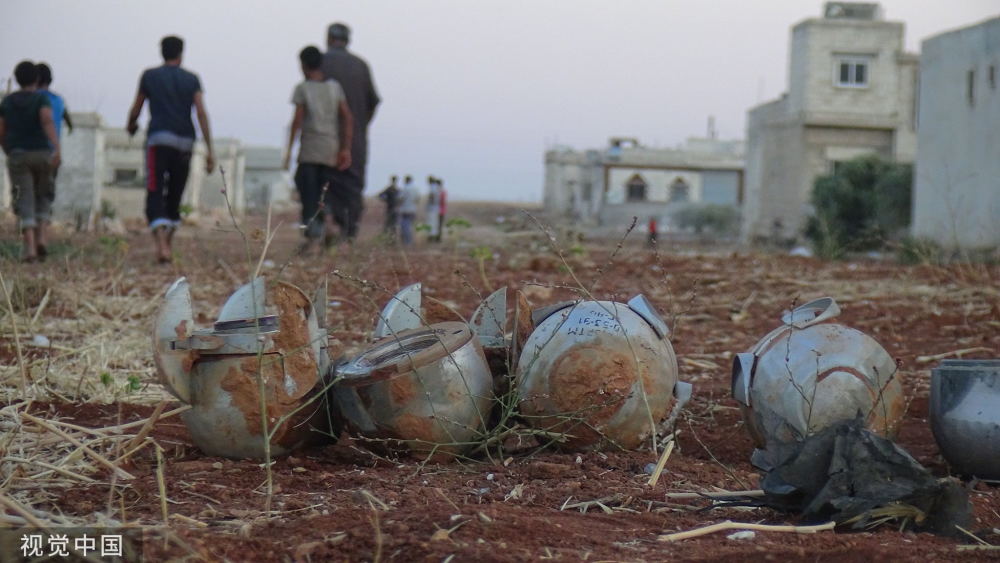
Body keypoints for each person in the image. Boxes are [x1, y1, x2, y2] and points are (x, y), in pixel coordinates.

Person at [126, 35, 215, 263]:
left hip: (158, 140)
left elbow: (136, 108)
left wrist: (131, 125)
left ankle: (161, 244)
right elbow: (201, 113)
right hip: (185, 141)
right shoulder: (192, 79)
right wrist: (210, 149)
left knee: (155, 189)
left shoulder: (150, 76)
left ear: (162, 52)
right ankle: (168, 242)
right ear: (181, 53)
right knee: (176, 191)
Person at [283, 45, 353, 254]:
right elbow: (347, 117)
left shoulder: (303, 88)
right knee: (326, 193)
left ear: (303, 65)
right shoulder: (334, 87)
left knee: (308, 193)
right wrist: (345, 148)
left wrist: (288, 151)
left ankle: (313, 237)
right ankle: (330, 226)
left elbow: (297, 120)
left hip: (310, 150)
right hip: (330, 149)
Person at [322, 22, 380, 241]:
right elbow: (374, 101)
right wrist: (361, 125)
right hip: (356, 139)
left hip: (324, 138)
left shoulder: (321, 62)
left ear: (328, 38)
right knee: (353, 184)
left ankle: (326, 227)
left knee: (325, 182)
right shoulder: (361, 65)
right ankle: (349, 232)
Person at [0, 61, 61, 262]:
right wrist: (56, 147)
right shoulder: (41, 99)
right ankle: (42, 236)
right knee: (43, 194)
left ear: (17, 79)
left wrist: (7, 148)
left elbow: (1, 129)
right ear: (36, 79)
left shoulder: (7, 102)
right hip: (42, 153)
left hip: (18, 154)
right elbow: (46, 120)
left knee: (24, 197)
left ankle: (30, 248)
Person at [398, 175, 419, 246]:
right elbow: (417, 199)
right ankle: (409, 241)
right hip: (413, 209)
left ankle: (407, 242)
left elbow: (400, 198)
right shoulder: (415, 189)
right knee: (410, 226)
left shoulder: (405, 188)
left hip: (405, 210)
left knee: (405, 226)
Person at [426, 175, 441, 242]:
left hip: (432, 208)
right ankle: (433, 236)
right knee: (434, 223)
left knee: (431, 223)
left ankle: (431, 237)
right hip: (435, 207)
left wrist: (430, 203)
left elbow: (432, 197)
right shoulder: (437, 187)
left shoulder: (432, 187)